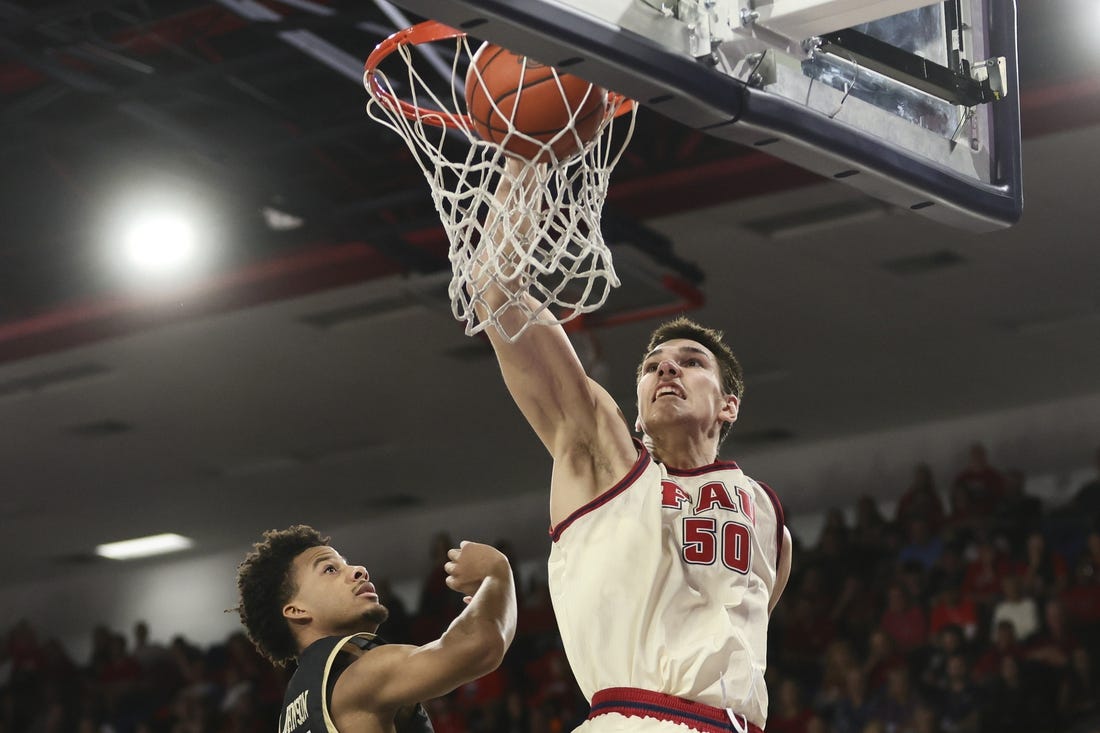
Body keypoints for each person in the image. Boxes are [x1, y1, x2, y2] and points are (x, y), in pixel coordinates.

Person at [469, 160, 793, 733]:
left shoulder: (767, 517)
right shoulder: (604, 459)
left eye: (692, 363)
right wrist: (528, 159)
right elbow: (495, 292)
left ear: (728, 405)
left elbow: (740, 639)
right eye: (651, 366)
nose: (667, 367)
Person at [234, 525, 516, 733]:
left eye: (345, 563)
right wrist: (496, 572)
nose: (358, 570)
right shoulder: (358, 676)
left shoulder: (297, 705)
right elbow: (479, 646)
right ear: (297, 610)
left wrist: (487, 601)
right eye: (330, 570)